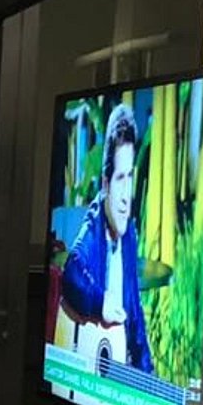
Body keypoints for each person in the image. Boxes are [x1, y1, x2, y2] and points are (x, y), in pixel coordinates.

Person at [59, 103, 153, 372]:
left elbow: (134, 313)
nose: (125, 196)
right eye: (120, 178)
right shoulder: (96, 220)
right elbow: (72, 272)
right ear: (105, 184)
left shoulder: (128, 233)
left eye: (130, 177)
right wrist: (101, 303)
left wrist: (149, 378)